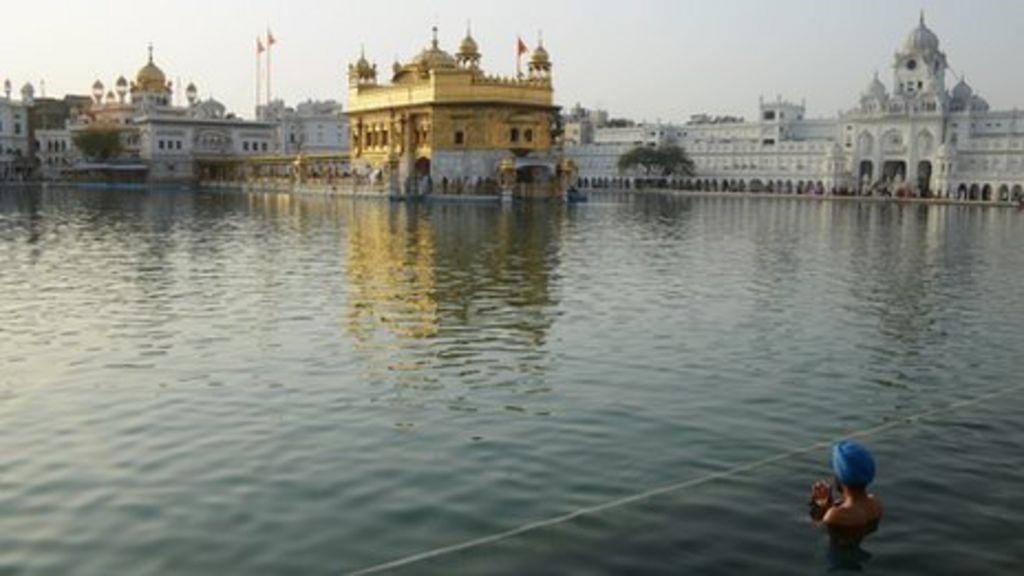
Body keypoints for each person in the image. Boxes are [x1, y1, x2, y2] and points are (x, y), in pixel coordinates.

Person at [809, 440, 883, 546]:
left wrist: (819, 508)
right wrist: (828, 504)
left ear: (840, 476)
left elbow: (815, 532)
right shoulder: (876, 504)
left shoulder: (835, 515)